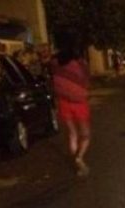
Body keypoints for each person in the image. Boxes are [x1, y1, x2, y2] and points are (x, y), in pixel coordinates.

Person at [51, 32, 91, 177]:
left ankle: (77, 163)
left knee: (72, 134)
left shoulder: (54, 61)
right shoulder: (80, 62)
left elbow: (55, 79)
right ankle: (79, 157)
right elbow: (86, 81)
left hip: (63, 101)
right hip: (79, 102)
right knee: (85, 135)